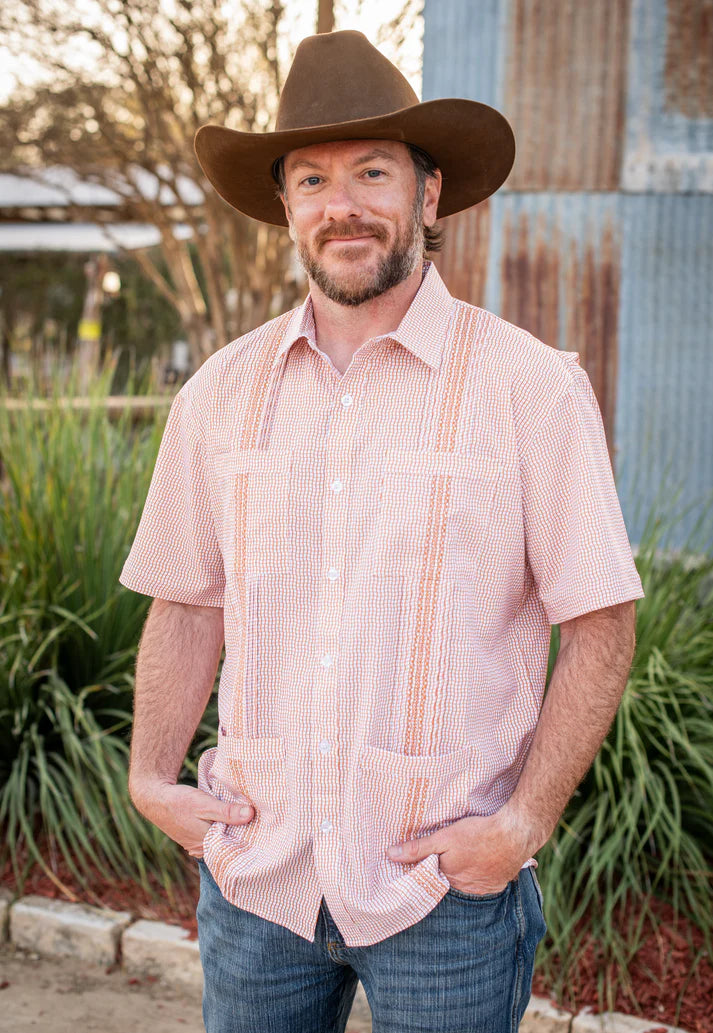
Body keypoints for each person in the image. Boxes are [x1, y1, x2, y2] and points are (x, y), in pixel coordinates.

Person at [120, 29, 645, 1033]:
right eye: (311, 179)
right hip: (257, 884)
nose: (341, 203)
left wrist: (520, 824)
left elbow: (600, 623)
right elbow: (187, 600)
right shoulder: (220, 395)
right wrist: (150, 777)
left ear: (427, 195)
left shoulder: (529, 389)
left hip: (443, 894)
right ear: (287, 207)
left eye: (371, 171)